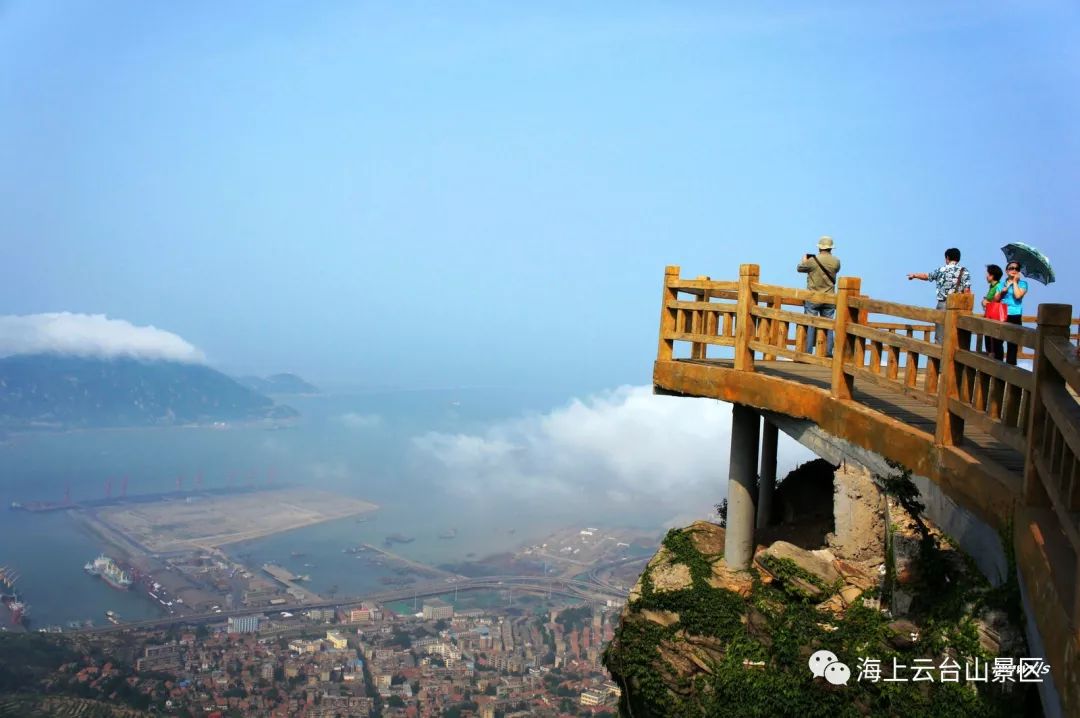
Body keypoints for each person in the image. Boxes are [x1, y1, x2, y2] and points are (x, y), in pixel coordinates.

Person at [906, 248, 972, 344]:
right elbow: (967, 290)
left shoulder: (942, 270)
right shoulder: (964, 271)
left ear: (947, 258)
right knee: (955, 334)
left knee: (940, 335)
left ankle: (939, 354)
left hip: (943, 304)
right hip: (958, 307)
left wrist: (915, 275)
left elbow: (927, 276)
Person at [797, 236, 841, 357]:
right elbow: (836, 270)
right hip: (830, 297)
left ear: (820, 247)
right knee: (829, 325)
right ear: (831, 248)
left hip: (814, 297)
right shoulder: (836, 261)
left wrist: (804, 261)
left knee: (811, 323)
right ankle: (828, 352)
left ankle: (808, 352)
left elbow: (799, 268)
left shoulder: (812, 261)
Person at [995, 261, 1028, 365]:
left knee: (1013, 344)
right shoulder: (1001, 284)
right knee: (998, 341)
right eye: (1011, 268)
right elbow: (996, 299)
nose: (1014, 270)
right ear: (1006, 271)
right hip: (1002, 314)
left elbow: (1018, 296)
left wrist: (1014, 282)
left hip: (1015, 315)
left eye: (1017, 269)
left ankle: (1010, 370)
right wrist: (1003, 291)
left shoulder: (1023, 284)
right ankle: (997, 366)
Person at [982, 264, 1004, 360]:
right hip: (989, 316)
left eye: (988, 274)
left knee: (995, 344)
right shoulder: (992, 286)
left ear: (992, 275)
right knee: (989, 343)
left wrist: (986, 302)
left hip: (995, 318)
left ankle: (997, 364)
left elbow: (996, 301)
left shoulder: (998, 286)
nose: (986, 276)